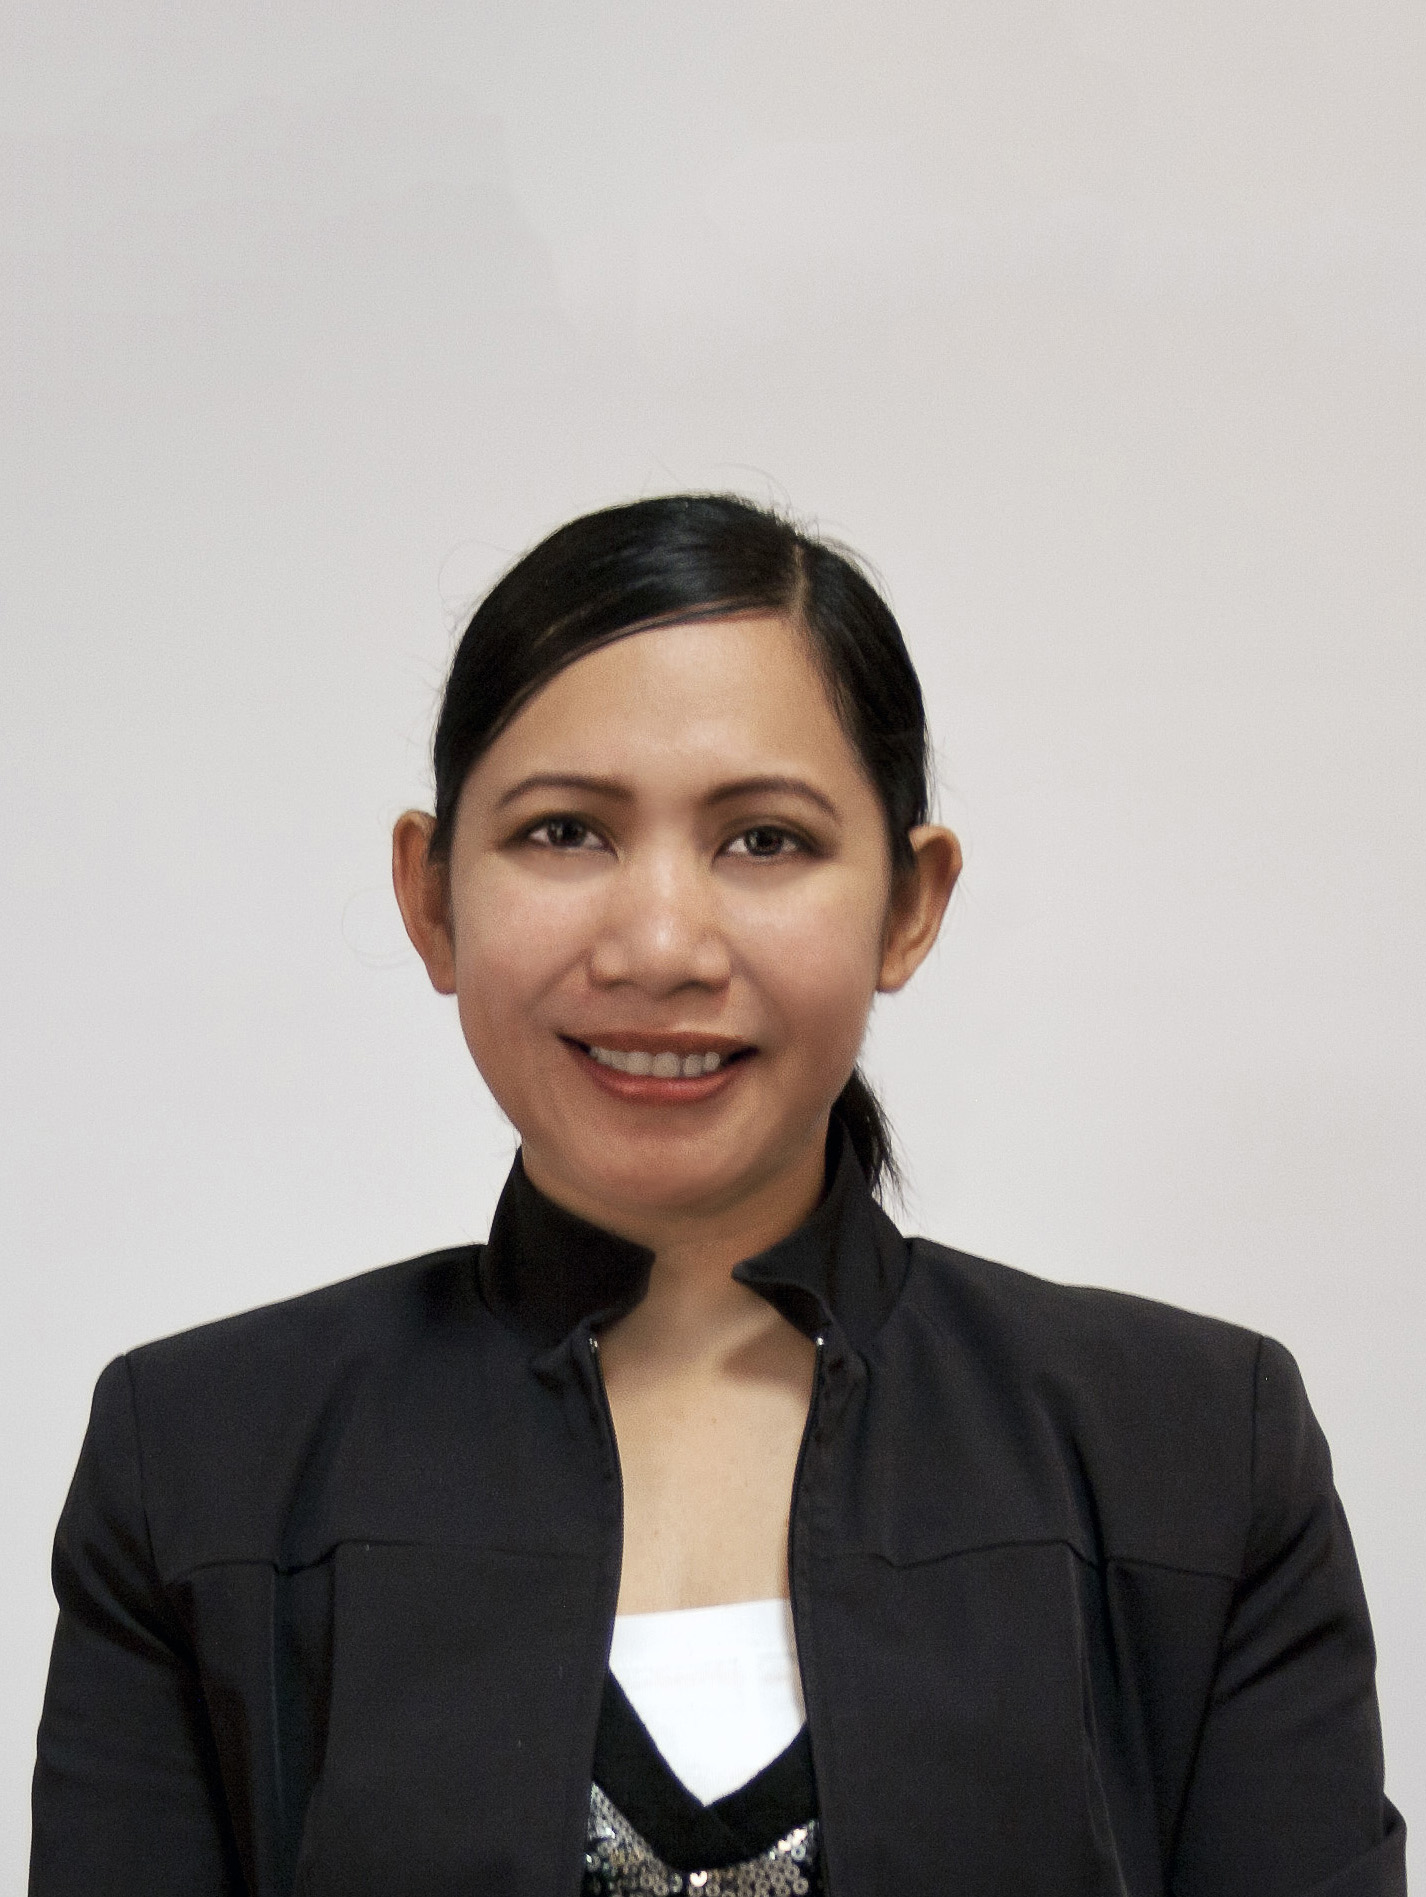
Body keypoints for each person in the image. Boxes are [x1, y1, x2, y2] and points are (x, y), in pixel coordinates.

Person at [30, 495, 1404, 1896]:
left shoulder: (1194, 1455)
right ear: (430, 896)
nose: (661, 945)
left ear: (910, 903)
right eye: (565, 830)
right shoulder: (199, 1464)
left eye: (764, 841)